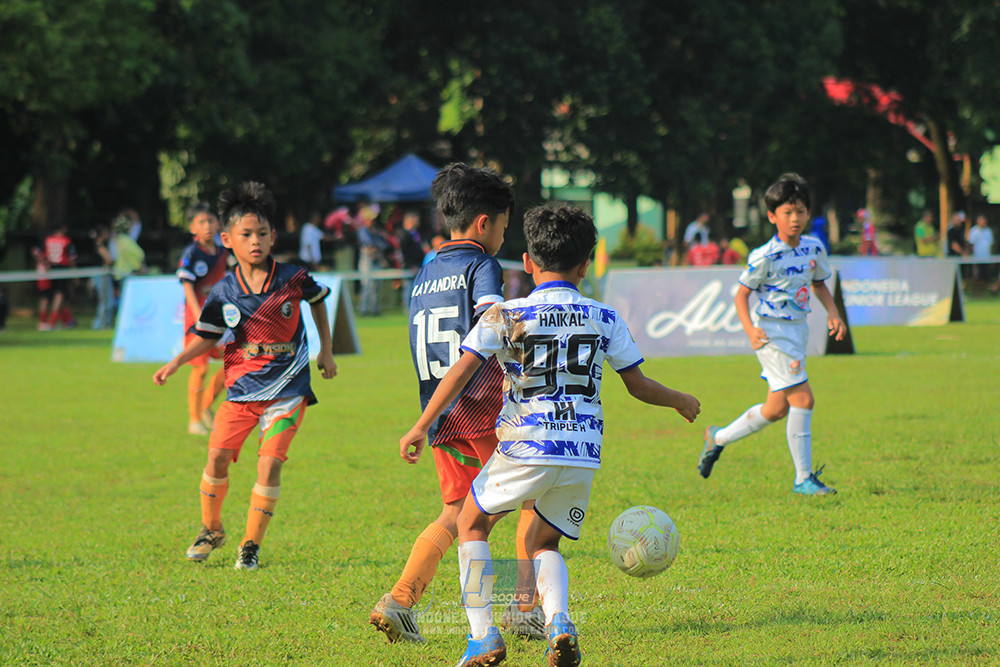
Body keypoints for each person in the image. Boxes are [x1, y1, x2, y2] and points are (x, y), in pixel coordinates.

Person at [398, 203, 700, 666]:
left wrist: (422, 424)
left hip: (527, 444)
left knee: (470, 523)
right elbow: (638, 386)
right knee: (544, 541)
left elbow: (460, 372)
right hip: (581, 453)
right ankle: (558, 620)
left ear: (527, 263)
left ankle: (482, 637)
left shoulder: (506, 314)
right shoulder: (605, 317)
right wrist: (679, 399)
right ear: (584, 265)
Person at [370, 163, 543, 644]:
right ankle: (522, 609)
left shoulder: (426, 270)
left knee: (457, 513)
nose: (503, 238)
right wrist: (526, 342)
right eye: (504, 228)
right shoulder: (481, 264)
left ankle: (401, 598)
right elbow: (492, 317)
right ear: (484, 223)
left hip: (442, 410)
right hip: (485, 405)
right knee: (534, 500)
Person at [153, 181, 337, 571]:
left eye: (263, 234)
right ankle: (211, 528)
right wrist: (176, 362)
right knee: (217, 456)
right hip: (239, 391)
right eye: (246, 235)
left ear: (273, 236)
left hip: (288, 389)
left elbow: (319, 302)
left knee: (270, 464)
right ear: (227, 239)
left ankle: (250, 546)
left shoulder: (293, 277)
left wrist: (326, 351)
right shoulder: (223, 291)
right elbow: (207, 338)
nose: (256, 241)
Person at [698, 173, 846, 495]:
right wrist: (750, 331)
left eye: (801, 212)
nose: (795, 219)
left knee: (776, 409)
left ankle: (718, 437)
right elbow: (740, 295)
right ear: (772, 216)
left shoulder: (813, 248)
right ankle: (803, 479)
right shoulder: (764, 256)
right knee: (804, 399)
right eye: (787, 213)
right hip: (771, 334)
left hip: (798, 331)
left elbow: (819, 284)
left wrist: (833, 313)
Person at [176, 202, 230, 436]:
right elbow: (187, 287)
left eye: (211, 221)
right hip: (196, 319)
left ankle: (207, 406)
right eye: (201, 222)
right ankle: (194, 420)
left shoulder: (223, 251)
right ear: (192, 228)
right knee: (199, 369)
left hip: (221, 316)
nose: (207, 226)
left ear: (218, 224)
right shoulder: (192, 254)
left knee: (234, 361)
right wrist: (199, 316)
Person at [43, 224, 77, 330]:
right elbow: (71, 258)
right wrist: (75, 274)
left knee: (60, 295)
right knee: (60, 295)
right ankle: (52, 322)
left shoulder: (48, 240)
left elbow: (45, 256)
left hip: (52, 269)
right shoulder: (66, 240)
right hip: (62, 269)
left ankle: (67, 320)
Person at [90, 224, 117, 330]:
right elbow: (109, 260)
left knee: (104, 300)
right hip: (102, 276)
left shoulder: (97, 246)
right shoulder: (100, 247)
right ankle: (101, 324)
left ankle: (103, 323)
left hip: (99, 275)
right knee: (106, 301)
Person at [967, 214, 997, 293]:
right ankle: (974, 292)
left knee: (984, 276)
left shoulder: (988, 231)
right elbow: (971, 244)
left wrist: (991, 257)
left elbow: (991, 245)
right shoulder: (973, 231)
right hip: (976, 258)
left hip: (986, 258)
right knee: (976, 276)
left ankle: (981, 292)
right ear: (978, 221)